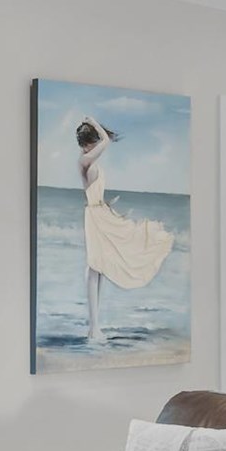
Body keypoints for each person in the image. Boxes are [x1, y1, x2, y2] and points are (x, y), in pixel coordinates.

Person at [75, 117, 172, 337]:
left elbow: (94, 196)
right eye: (94, 141)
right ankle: (94, 326)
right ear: (88, 143)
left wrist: (108, 206)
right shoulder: (85, 161)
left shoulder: (89, 162)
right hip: (94, 215)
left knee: (97, 267)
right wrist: (94, 122)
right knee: (94, 266)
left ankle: (94, 326)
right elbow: (106, 142)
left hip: (98, 212)